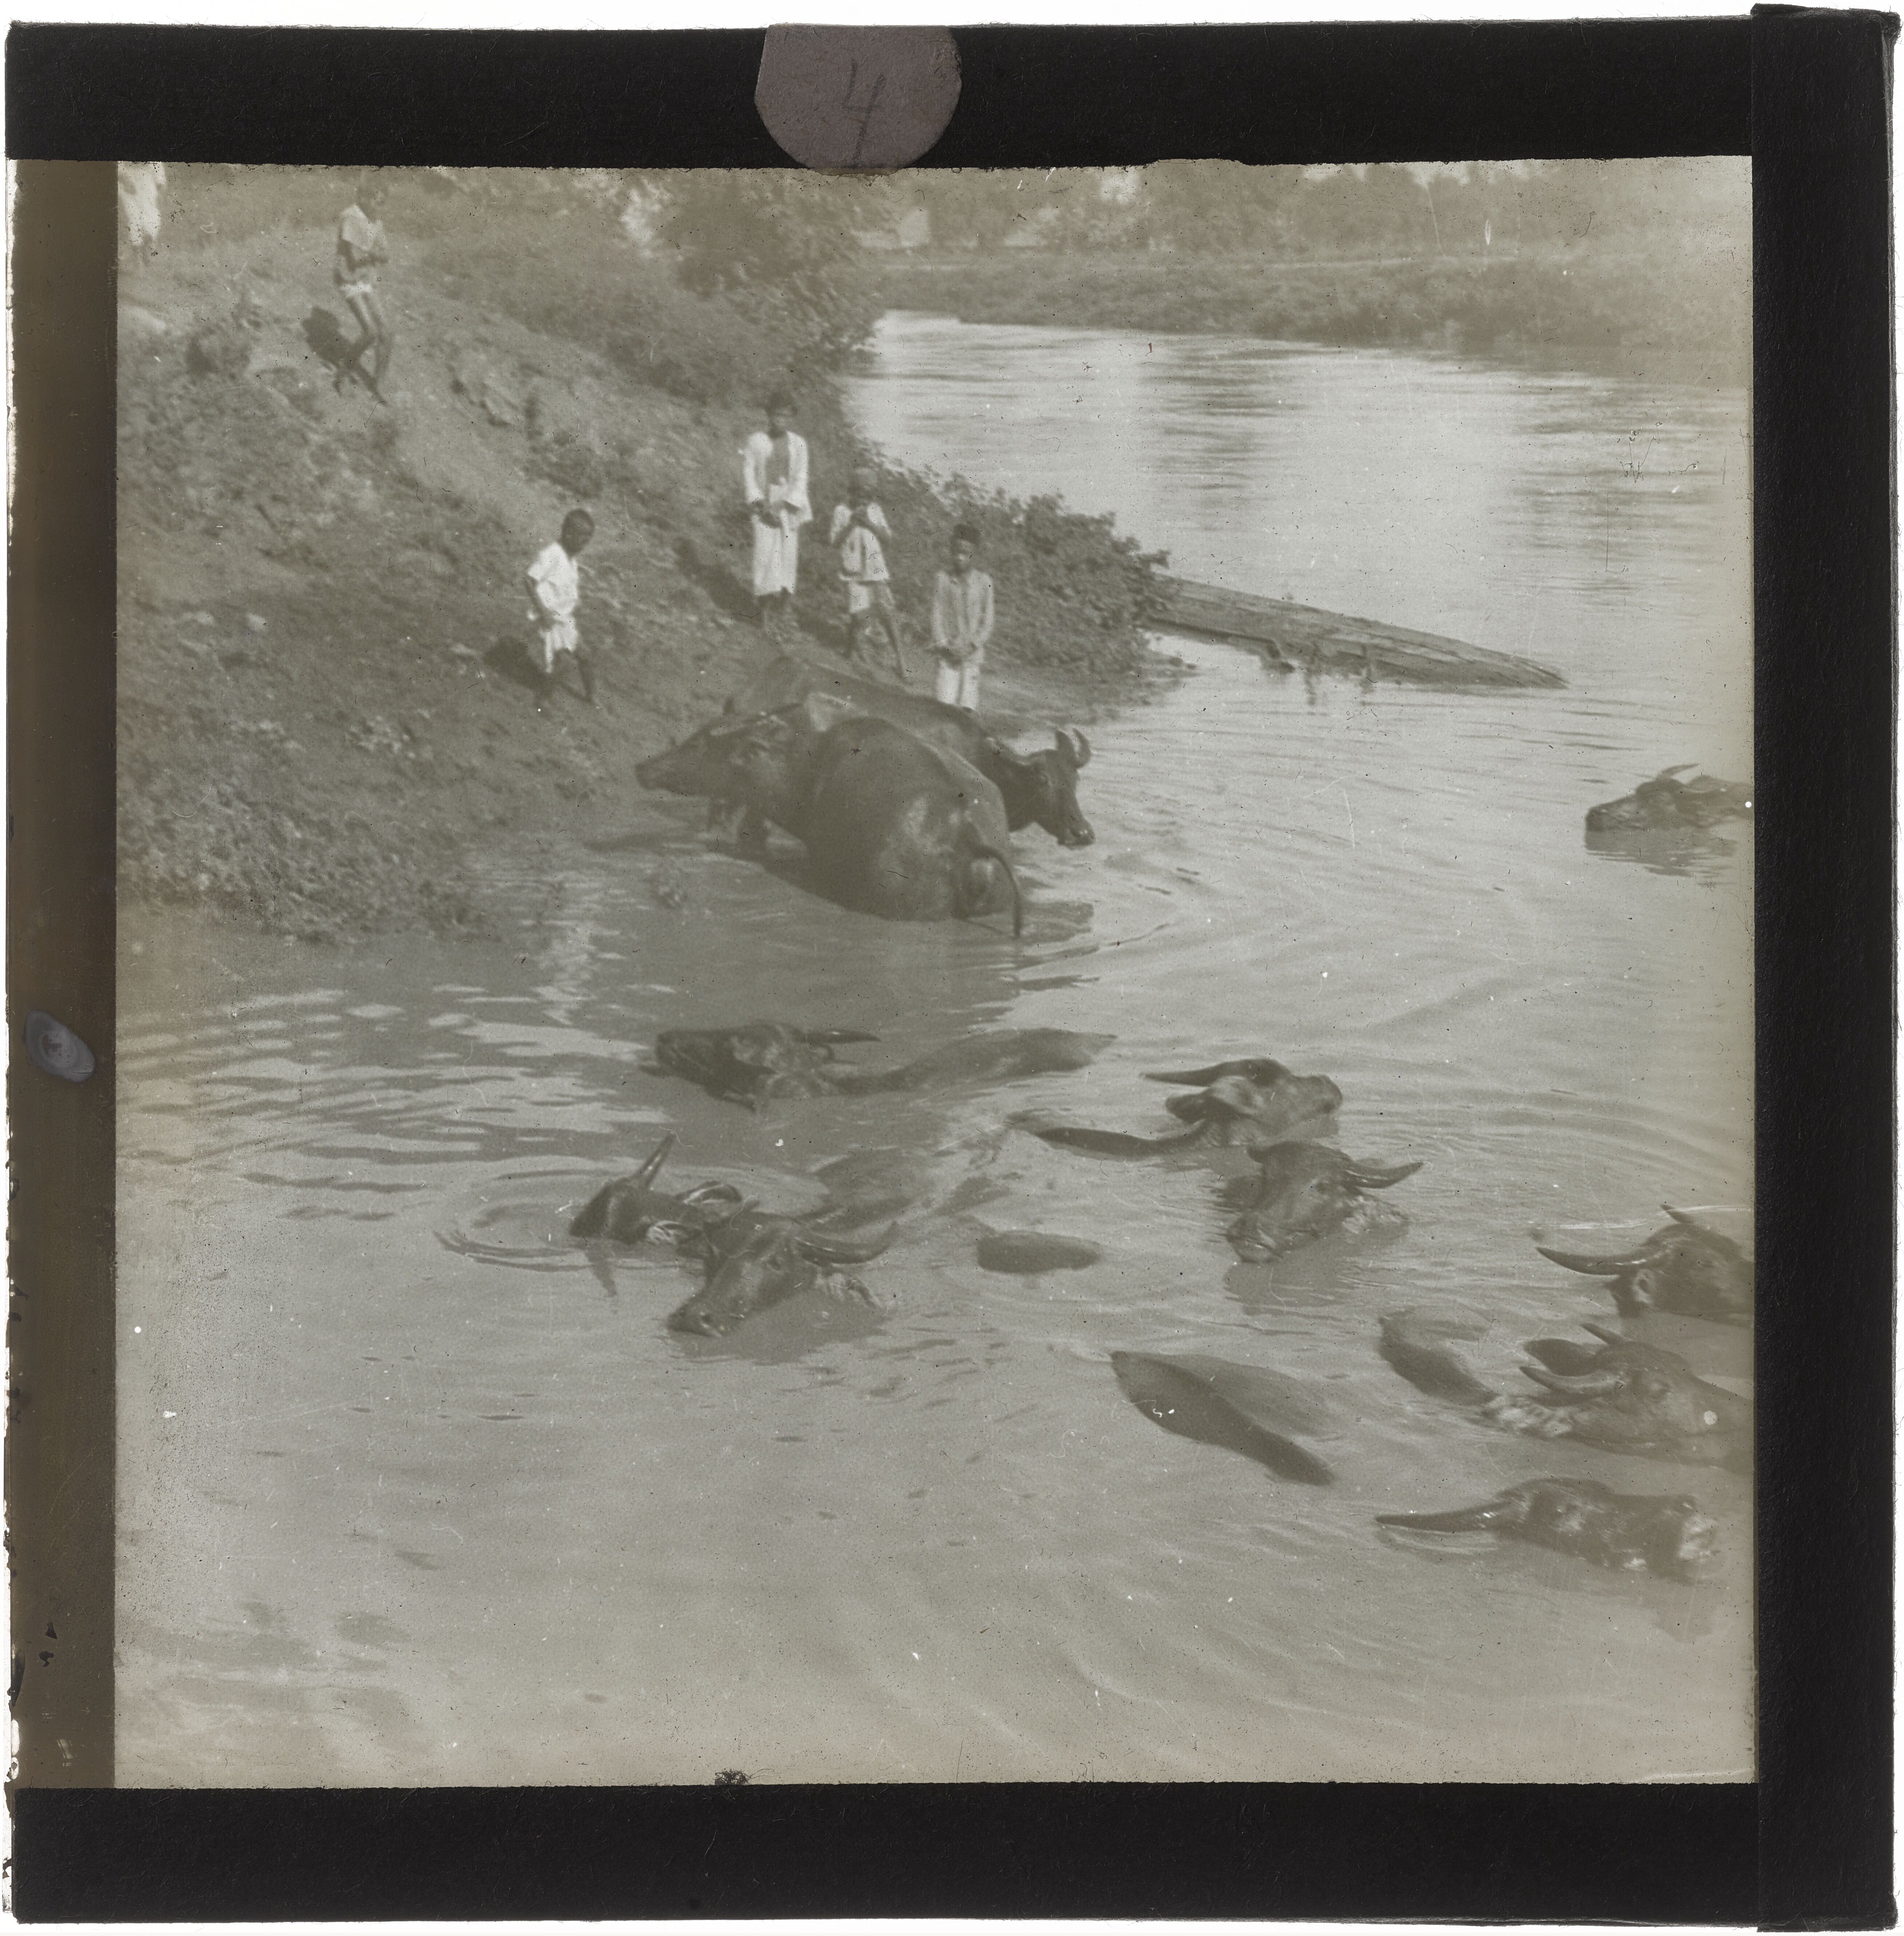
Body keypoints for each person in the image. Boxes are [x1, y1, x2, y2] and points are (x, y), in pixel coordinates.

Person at [741, 393, 810, 643]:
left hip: (788, 504)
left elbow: (801, 477)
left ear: (791, 418)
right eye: (776, 415)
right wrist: (761, 504)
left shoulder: (799, 444)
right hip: (764, 502)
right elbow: (749, 473)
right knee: (764, 557)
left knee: (788, 558)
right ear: (768, 415)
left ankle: (783, 611)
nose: (780, 420)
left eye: (786, 416)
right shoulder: (756, 441)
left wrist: (784, 504)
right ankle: (764, 615)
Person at [829, 465, 908, 679]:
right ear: (852, 492)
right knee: (859, 616)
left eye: (868, 496)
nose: (864, 500)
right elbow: (834, 542)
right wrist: (851, 524)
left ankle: (901, 661)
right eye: (860, 495)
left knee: (888, 615)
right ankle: (853, 652)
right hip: (854, 572)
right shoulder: (841, 511)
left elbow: (888, 540)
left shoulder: (875, 511)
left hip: (876, 571)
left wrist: (870, 524)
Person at [526, 509, 597, 706]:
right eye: (582, 541)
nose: (584, 546)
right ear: (568, 534)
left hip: (565, 620)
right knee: (561, 662)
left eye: (587, 542)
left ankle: (591, 697)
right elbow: (530, 580)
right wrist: (543, 612)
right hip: (550, 619)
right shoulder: (551, 555)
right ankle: (543, 700)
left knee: (586, 656)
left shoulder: (571, 559)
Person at [334, 177, 394, 403]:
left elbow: (386, 254)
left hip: (366, 279)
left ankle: (379, 383)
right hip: (349, 279)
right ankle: (344, 371)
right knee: (370, 332)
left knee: (387, 333)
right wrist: (375, 255)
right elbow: (355, 258)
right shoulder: (350, 217)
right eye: (377, 201)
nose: (380, 207)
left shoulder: (376, 220)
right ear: (363, 198)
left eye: (383, 202)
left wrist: (373, 255)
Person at [929, 521, 994, 711]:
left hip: (972, 656)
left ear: (975, 554)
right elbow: (937, 614)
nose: (960, 558)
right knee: (943, 708)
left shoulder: (984, 582)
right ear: (951, 551)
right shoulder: (943, 579)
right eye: (956, 552)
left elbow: (988, 621)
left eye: (966, 553)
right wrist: (945, 645)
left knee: (967, 710)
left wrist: (972, 646)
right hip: (948, 655)